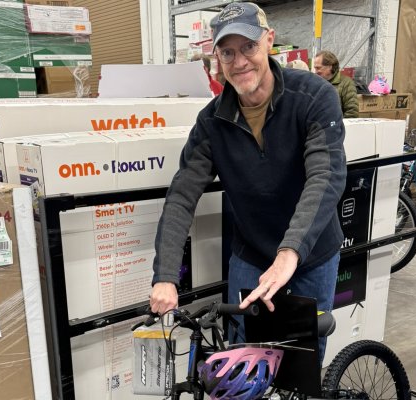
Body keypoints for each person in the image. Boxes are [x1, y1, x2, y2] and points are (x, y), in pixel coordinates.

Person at [149, 2, 346, 363]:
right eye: (227, 52)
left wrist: (291, 252)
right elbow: (182, 195)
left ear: (269, 41)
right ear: (217, 59)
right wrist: (165, 276)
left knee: (302, 358)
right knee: (243, 353)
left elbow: (326, 174)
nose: (239, 61)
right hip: (252, 253)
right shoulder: (211, 122)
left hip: (311, 253)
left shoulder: (315, 97)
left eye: (248, 47)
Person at [313, 50, 359, 118]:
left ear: (329, 67)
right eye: (315, 68)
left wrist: (337, 126)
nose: (316, 71)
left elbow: (352, 112)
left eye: (318, 68)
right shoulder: (316, 83)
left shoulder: (346, 83)